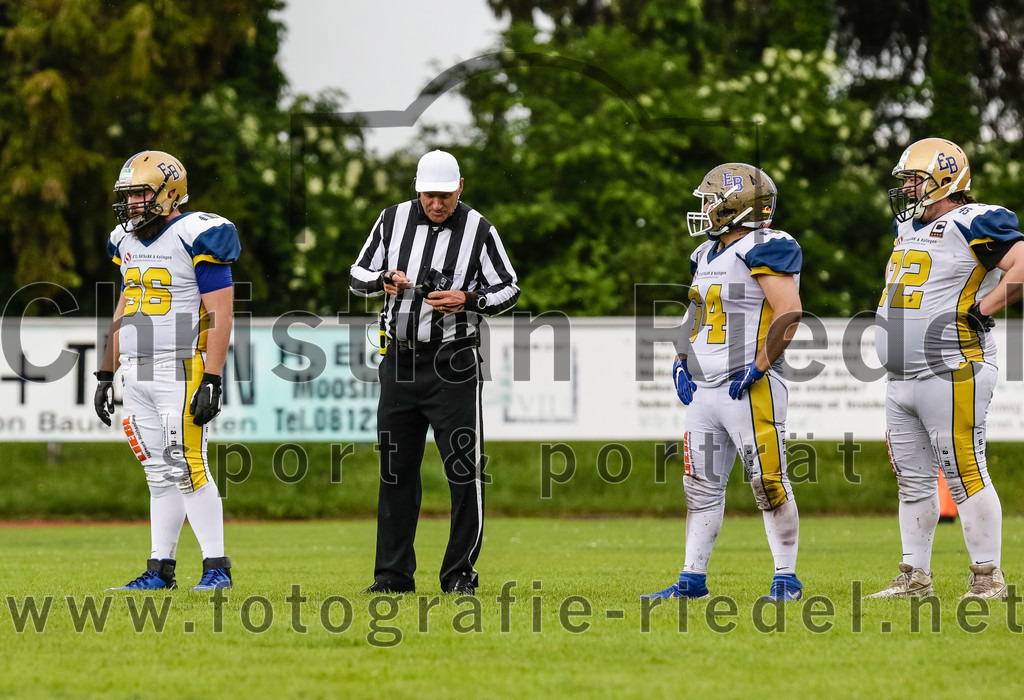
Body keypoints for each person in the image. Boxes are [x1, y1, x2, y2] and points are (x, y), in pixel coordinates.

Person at [350, 150, 519, 595]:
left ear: (460, 187)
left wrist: (470, 299)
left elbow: (510, 288)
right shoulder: (391, 220)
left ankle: (459, 574)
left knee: (463, 471)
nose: (437, 204)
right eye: (429, 195)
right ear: (417, 188)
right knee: (395, 470)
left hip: (454, 360)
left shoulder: (479, 229)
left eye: (445, 196)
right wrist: (381, 280)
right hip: (400, 360)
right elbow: (356, 275)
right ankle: (391, 576)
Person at [869, 137, 1024, 599]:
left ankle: (987, 577)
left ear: (944, 179)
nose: (908, 189)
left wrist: (987, 306)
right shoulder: (907, 230)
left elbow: (1021, 263)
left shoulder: (974, 219)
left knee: (964, 469)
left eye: (914, 179)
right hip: (902, 375)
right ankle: (914, 577)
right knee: (913, 479)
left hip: (953, 364)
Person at [642, 163, 804, 602]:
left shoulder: (766, 246)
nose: (705, 208)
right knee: (699, 486)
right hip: (704, 386)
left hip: (747, 384)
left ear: (735, 204)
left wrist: (761, 365)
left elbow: (788, 310)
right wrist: (679, 358)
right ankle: (692, 579)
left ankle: (786, 579)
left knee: (768, 481)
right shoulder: (705, 254)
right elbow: (693, 311)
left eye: (711, 199)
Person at [94, 150, 239, 591]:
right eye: (129, 194)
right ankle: (160, 568)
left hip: (181, 366)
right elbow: (126, 303)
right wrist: (106, 371)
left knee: (188, 464)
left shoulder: (198, 233)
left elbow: (220, 311)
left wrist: (212, 376)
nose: (132, 203)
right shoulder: (125, 240)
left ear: (169, 191)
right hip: (137, 371)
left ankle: (217, 566)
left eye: (140, 193)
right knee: (158, 472)